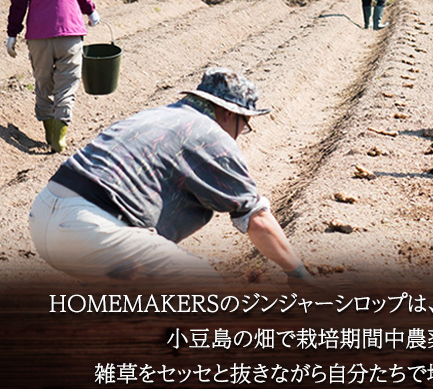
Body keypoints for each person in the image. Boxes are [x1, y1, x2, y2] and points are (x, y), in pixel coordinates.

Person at [29, 67, 317, 288]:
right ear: (229, 114)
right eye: (246, 124)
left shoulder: (156, 116)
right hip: (92, 229)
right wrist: (298, 273)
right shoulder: (210, 135)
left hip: (43, 216)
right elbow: (258, 219)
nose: (242, 132)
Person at [6, 0, 101, 153]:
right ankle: (59, 137)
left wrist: (12, 33)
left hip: (38, 35)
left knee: (43, 84)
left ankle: (49, 133)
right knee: (67, 84)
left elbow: (18, 2)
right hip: (69, 32)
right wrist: (91, 12)